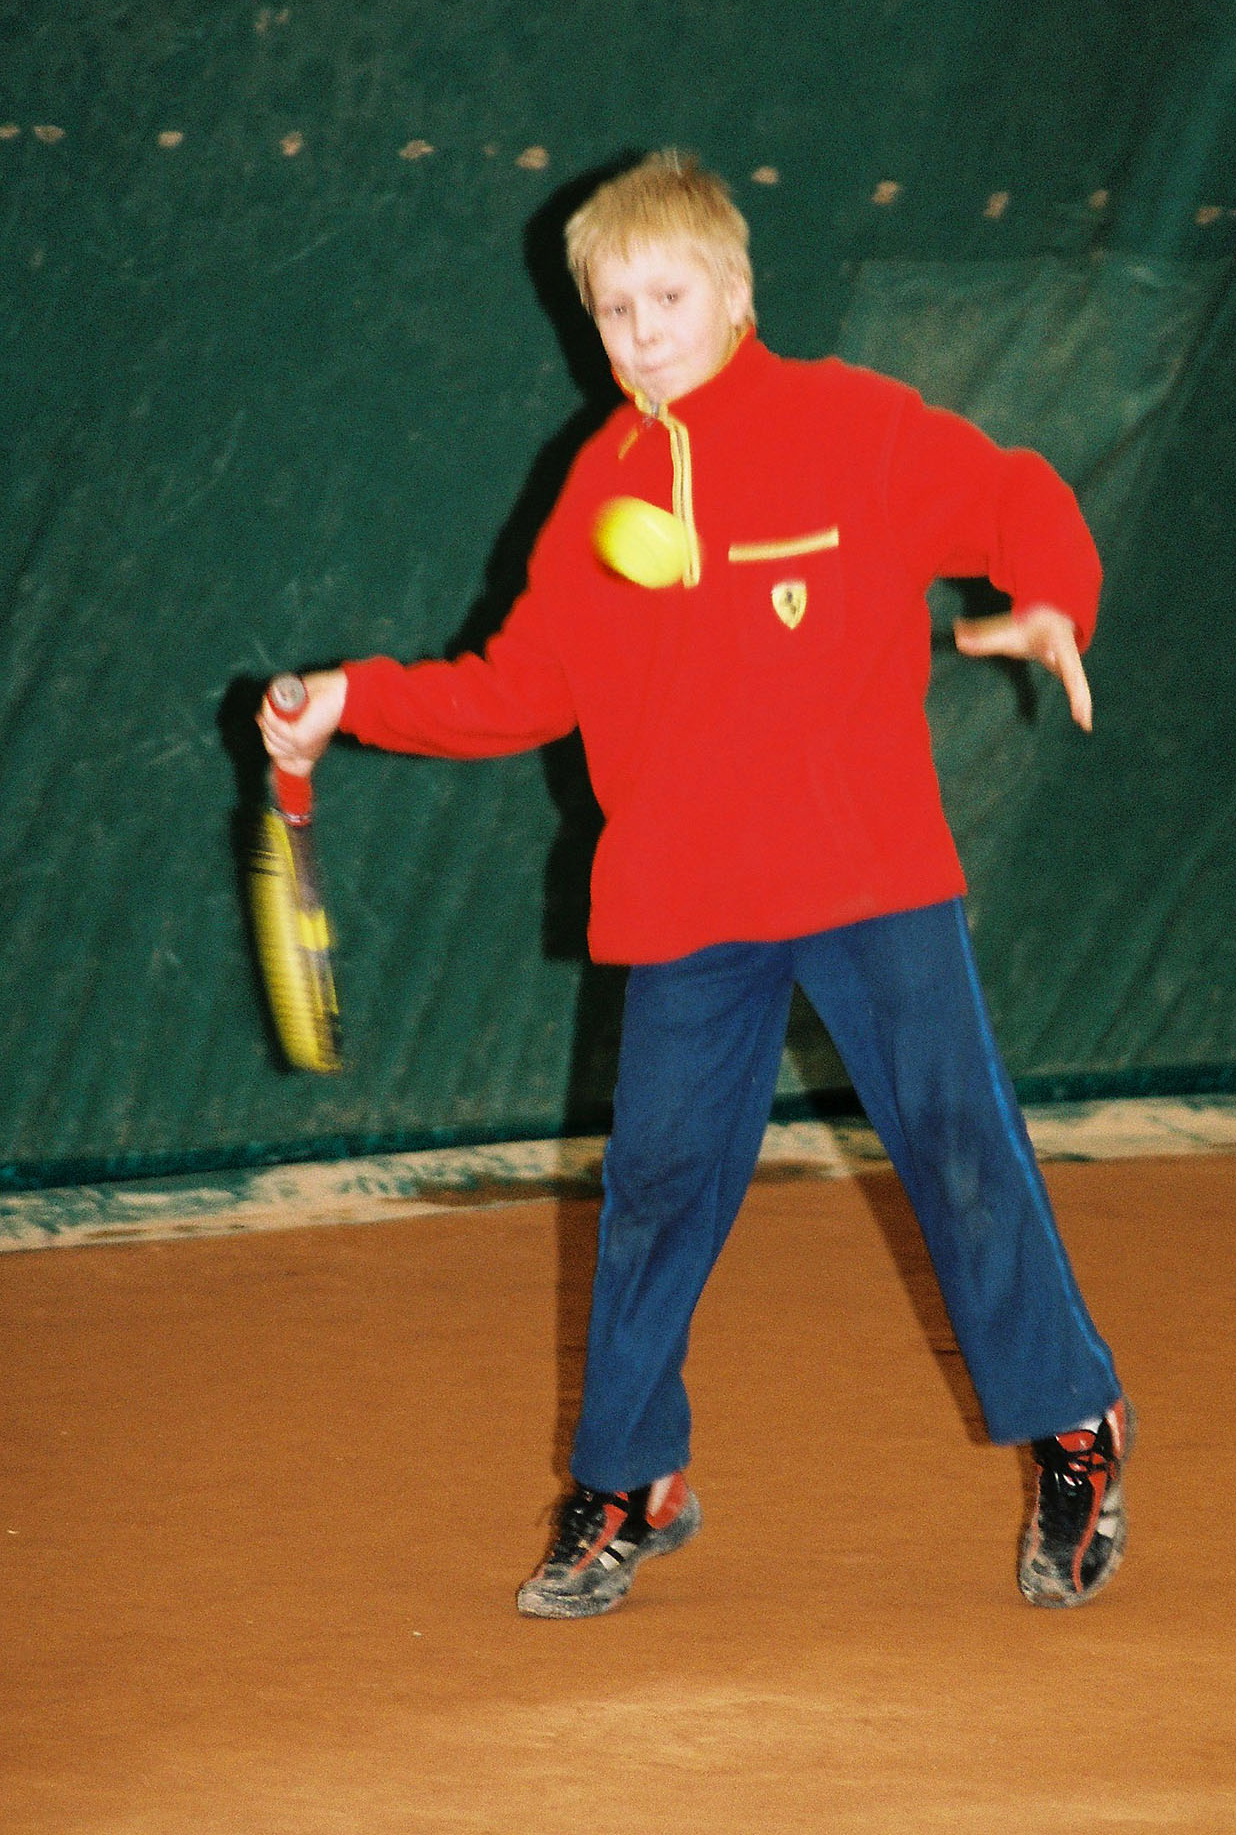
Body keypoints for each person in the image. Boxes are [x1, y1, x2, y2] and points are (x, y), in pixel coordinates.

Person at [259, 150, 1133, 1621]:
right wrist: (353, 697)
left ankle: (1075, 1427)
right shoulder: (595, 487)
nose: (641, 332)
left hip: (870, 874)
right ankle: (631, 1479)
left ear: (735, 294)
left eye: (667, 299)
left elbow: (1012, 497)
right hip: (685, 901)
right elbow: (518, 685)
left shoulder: (850, 425)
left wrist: (1053, 596)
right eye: (613, 310)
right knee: (656, 1191)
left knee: (958, 1149)